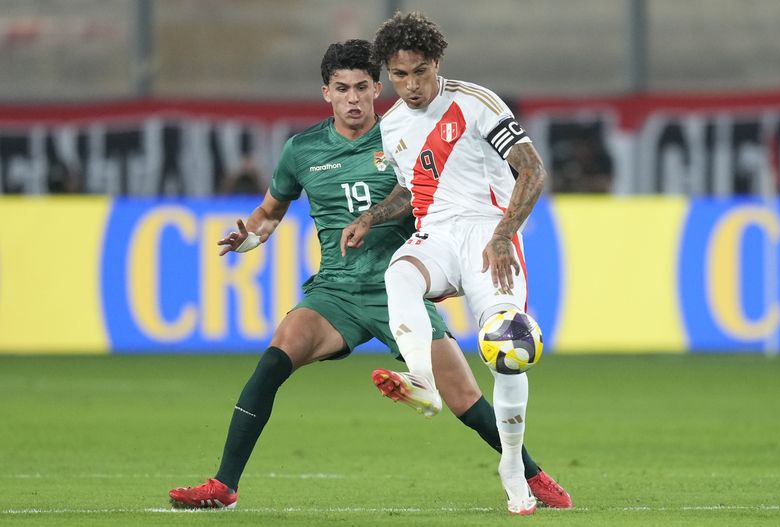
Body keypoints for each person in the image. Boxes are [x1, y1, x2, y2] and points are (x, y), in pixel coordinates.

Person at [168, 39, 570, 513]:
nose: (354, 98)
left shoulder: (403, 132)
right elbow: (270, 211)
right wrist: (251, 238)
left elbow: (430, 194)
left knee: (465, 398)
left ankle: (531, 473)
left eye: (362, 87)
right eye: (342, 88)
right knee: (274, 361)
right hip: (337, 291)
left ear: (377, 88)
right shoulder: (302, 150)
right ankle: (224, 485)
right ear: (326, 93)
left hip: (398, 288)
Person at [340, 13, 571, 515]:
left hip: (488, 235)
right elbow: (410, 187)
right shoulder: (394, 124)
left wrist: (506, 233)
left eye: (419, 72)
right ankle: (422, 382)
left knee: (509, 350)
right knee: (398, 272)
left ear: (436, 63)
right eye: (399, 76)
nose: (410, 85)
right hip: (438, 236)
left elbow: (532, 169)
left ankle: (512, 465)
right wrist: (373, 216)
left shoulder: (476, 102)